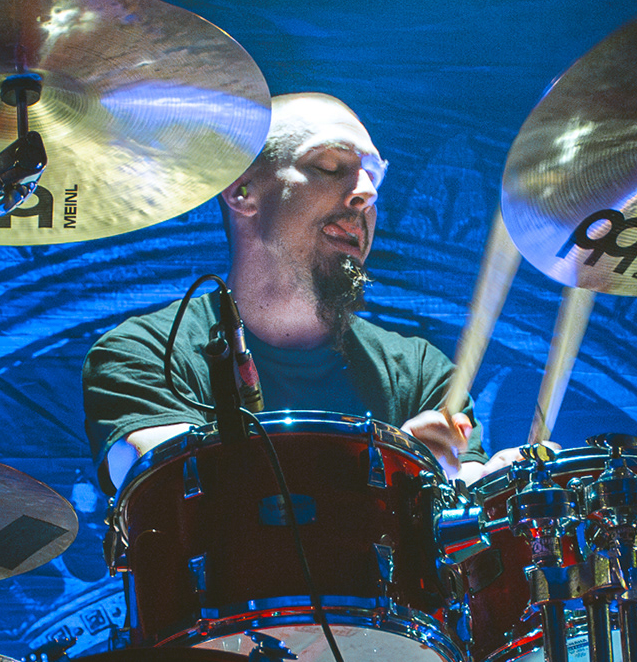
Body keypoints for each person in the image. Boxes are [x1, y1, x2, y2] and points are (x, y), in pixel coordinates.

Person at [83, 92, 518, 491]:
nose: (367, 193)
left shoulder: (421, 374)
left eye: (373, 178)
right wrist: (391, 466)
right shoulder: (143, 354)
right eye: (328, 166)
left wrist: (501, 492)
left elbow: (468, 508)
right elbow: (174, 493)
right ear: (242, 191)